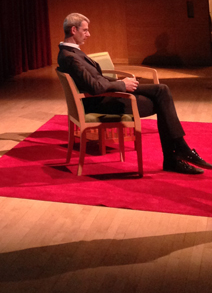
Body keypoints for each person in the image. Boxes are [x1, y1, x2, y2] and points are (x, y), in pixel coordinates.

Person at [56, 12, 212, 174]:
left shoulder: (72, 52)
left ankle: (178, 153)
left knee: (162, 90)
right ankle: (177, 154)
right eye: (85, 30)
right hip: (100, 102)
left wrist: (121, 82)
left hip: (105, 95)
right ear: (74, 30)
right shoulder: (69, 56)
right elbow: (94, 86)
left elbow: (97, 78)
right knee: (161, 102)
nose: (89, 34)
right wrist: (121, 84)